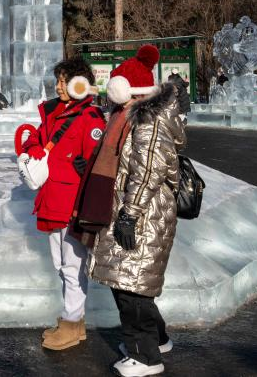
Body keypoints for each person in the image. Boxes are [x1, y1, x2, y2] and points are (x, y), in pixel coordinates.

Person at [84, 45, 185, 376]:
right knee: (131, 281)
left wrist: (129, 215)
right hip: (135, 209)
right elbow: (125, 162)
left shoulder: (148, 121)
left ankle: (146, 358)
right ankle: (158, 339)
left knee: (131, 287)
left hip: (143, 214)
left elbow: (148, 171)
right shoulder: (127, 117)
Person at [17, 56, 105, 351]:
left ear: (80, 84)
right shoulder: (55, 113)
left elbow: (102, 162)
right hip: (54, 199)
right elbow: (35, 138)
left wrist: (88, 166)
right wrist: (32, 151)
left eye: (64, 81)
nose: (58, 87)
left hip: (73, 204)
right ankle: (74, 322)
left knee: (73, 265)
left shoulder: (90, 118)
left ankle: (71, 322)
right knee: (61, 264)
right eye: (58, 81)